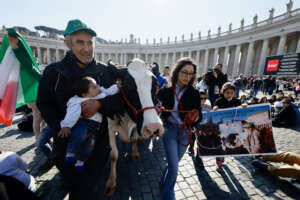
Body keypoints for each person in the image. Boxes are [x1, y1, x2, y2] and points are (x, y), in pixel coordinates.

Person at [36, 19, 122, 199]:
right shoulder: (53, 72)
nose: (87, 48)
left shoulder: (105, 72)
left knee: (91, 189)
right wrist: (61, 126)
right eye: (80, 42)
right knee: (76, 187)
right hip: (65, 144)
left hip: (99, 146)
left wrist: (100, 105)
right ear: (67, 43)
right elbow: (44, 103)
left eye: (90, 42)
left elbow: (119, 102)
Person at [157, 57, 202, 200]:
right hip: (169, 129)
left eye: (191, 74)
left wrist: (196, 117)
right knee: (175, 168)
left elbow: (199, 114)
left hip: (185, 132)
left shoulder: (194, 93)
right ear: (176, 72)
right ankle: (168, 195)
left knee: (173, 163)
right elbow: (155, 108)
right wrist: (159, 110)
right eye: (184, 72)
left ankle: (162, 179)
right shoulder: (165, 90)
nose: (187, 77)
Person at [59, 76, 119, 171]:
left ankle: (81, 160)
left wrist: (117, 87)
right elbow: (71, 114)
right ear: (85, 94)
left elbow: (109, 91)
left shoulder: (101, 93)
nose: (98, 87)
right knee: (79, 135)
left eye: (97, 85)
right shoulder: (78, 101)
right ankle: (70, 152)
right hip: (83, 122)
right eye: (94, 87)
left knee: (89, 145)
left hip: (95, 125)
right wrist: (66, 125)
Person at [213, 82, 244, 172]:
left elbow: (242, 109)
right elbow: (215, 108)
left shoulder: (237, 101)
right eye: (227, 92)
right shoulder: (219, 100)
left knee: (228, 144)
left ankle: (222, 157)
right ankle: (219, 163)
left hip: (233, 128)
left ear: (234, 93)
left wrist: (243, 106)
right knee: (220, 145)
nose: (229, 94)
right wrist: (215, 108)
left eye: (231, 92)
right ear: (223, 92)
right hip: (221, 127)